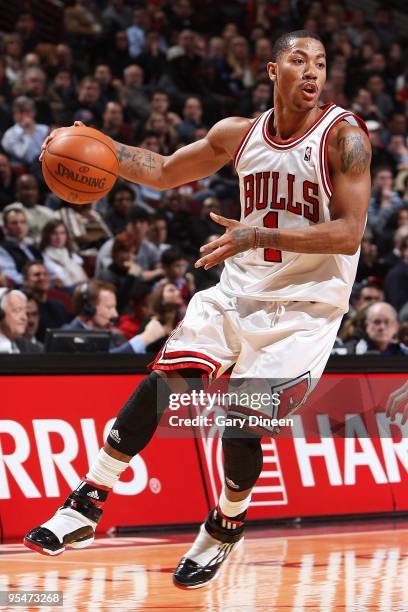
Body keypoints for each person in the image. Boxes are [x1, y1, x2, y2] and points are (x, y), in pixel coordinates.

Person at [25, 30, 372, 590]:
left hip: (305, 311)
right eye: (298, 60)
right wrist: (101, 150)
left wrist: (254, 231)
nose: (312, 72)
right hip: (237, 291)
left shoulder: (344, 138)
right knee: (162, 383)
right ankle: (87, 503)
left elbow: (351, 233)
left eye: (321, 64)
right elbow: (162, 171)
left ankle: (226, 522)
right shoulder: (238, 135)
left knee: (240, 423)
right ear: (271, 69)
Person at [63, 280, 125, 348]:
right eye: (109, 307)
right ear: (88, 308)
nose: (115, 314)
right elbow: (104, 357)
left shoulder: (114, 335)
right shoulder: (67, 336)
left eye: (114, 307)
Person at [0, 205, 42, 285]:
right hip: (23, 289)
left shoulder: (32, 246)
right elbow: (10, 275)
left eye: (23, 222)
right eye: (14, 223)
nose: (19, 226)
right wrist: (34, 283)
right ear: (5, 227)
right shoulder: (2, 249)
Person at [0, 288, 41, 353]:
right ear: (1, 314)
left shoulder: (33, 348)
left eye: (24, 312)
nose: (25, 318)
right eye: (17, 310)